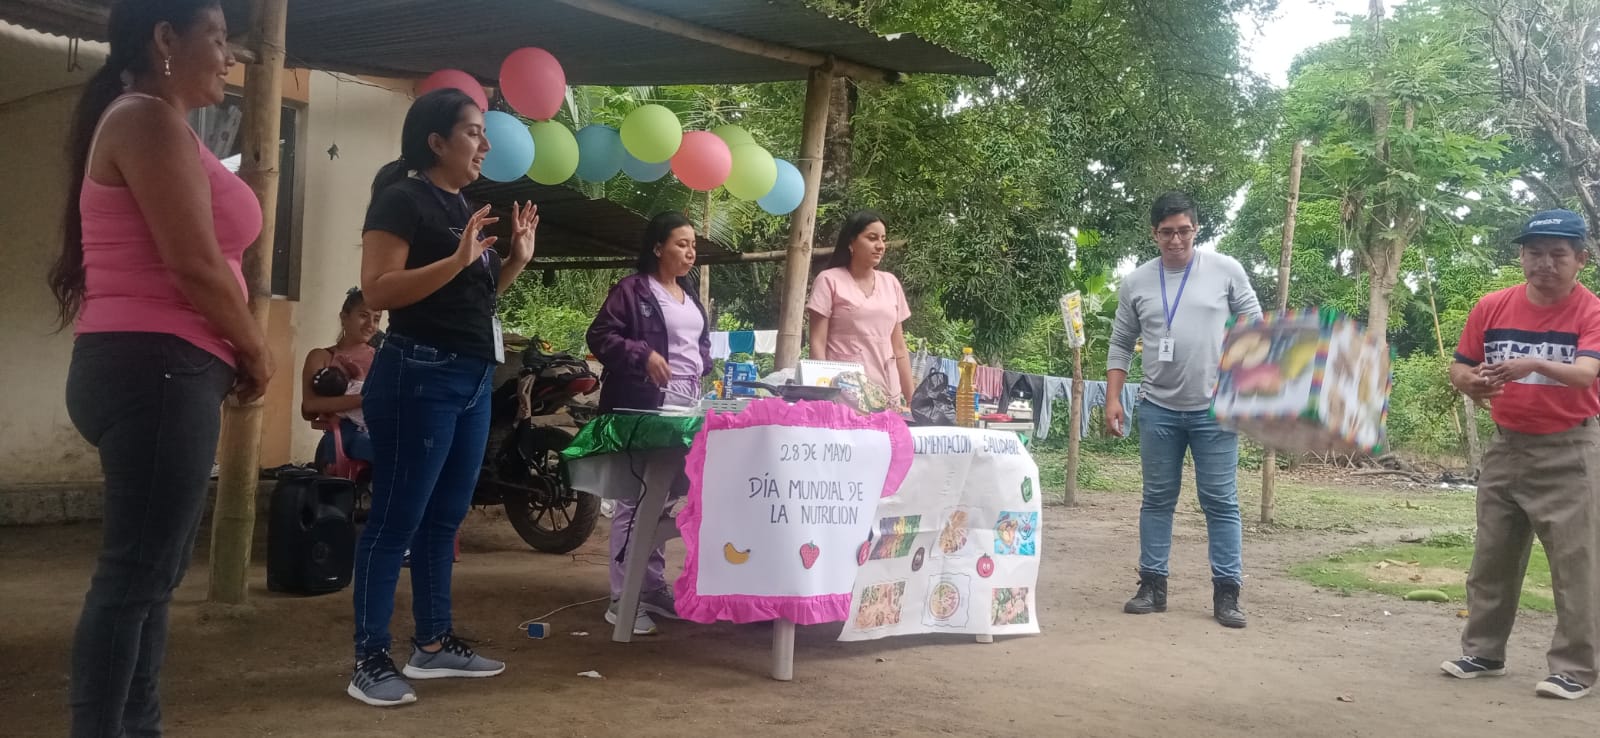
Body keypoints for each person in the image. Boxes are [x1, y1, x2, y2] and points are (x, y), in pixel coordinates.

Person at [50, 1, 273, 734]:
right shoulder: (146, 119)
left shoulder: (155, 122)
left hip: (157, 368)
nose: (229, 56)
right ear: (165, 38)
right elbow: (195, 265)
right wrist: (255, 348)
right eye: (218, 38)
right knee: (135, 579)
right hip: (157, 369)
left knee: (151, 579)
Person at [347, 88, 539, 707]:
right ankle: (369, 659)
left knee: (444, 518)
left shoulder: (462, 206)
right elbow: (378, 291)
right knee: (395, 520)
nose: (485, 144)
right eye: (473, 132)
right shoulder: (402, 200)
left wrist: (514, 261)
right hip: (419, 375)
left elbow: (470, 300)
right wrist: (458, 259)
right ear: (436, 142)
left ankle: (432, 644)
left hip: (474, 379)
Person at [1442, 209, 1599, 701]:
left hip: (1570, 448)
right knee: (1493, 555)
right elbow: (1460, 366)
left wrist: (1533, 362)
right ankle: (1483, 653)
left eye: (1558, 254)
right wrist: (1471, 383)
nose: (1544, 263)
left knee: (1576, 564)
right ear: (1522, 257)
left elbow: (1585, 375)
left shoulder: (1591, 311)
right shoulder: (1491, 306)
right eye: (1534, 253)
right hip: (1506, 445)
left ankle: (1575, 669)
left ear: (1581, 259)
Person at [1105, 191, 1261, 629]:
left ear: (1196, 229)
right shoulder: (1137, 282)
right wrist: (1113, 398)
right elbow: (1121, 343)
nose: (1176, 240)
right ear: (1154, 234)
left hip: (1215, 410)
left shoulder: (1226, 270)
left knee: (1220, 501)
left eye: (1184, 231)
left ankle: (1227, 594)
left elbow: (1254, 325)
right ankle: (1152, 586)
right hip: (1158, 408)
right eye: (1167, 232)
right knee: (1156, 499)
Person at [586, 211, 713, 635]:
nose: (690, 252)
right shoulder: (633, 290)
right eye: (681, 243)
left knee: (663, 499)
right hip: (643, 407)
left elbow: (699, 343)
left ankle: (652, 587)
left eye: (693, 245)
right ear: (658, 247)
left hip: (684, 409)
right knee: (635, 499)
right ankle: (622, 599)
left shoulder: (688, 294)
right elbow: (600, 336)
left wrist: (703, 364)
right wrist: (643, 356)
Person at [807, 210, 914, 405]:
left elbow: (899, 348)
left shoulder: (891, 283)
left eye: (883, 239)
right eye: (872, 238)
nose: (880, 245)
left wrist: (912, 400)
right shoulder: (829, 280)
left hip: (887, 394)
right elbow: (817, 343)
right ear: (851, 242)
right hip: (843, 395)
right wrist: (823, 397)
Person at [302, 287, 381, 470]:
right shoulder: (321, 357)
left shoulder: (382, 358)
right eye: (363, 315)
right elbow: (310, 407)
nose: (370, 324)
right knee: (386, 452)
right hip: (344, 436)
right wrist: (365, 399)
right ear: (344, 317)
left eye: (376, 319)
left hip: (380, 429)